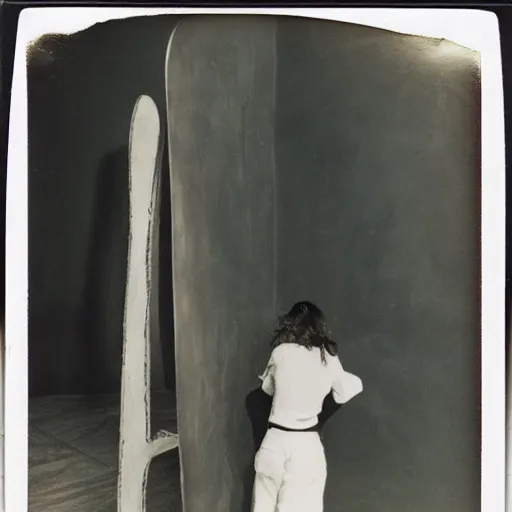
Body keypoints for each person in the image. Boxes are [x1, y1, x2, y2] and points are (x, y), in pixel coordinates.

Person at [251, 301, 363, 512]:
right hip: (305, 448)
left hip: (272, 444)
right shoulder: (328, 358)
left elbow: (267, 390)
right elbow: (349, 389)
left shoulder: (280, 352)